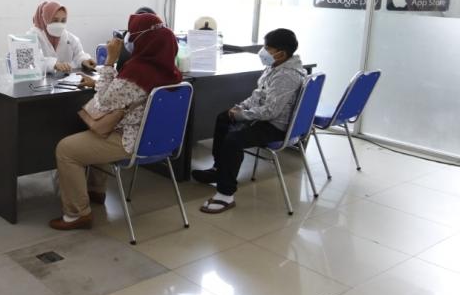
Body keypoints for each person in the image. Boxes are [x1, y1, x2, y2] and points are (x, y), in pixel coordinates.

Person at [49, 13, 182, 230]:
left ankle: (76, 214)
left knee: (66, 149)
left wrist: (109, 61)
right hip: (157, 139)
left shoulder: (138, 72)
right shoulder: (170, 71)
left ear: (143, 41)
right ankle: (95, 191)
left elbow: (103, 103)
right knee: (95, 134)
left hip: (129, 140)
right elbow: (125, 95)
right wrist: (99, 83)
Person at [192, 28, 306, 214]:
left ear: (282, 53)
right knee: (224, 117)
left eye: (268, 48)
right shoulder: (276, 66)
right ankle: (220, 169)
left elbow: (270, 111)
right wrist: (240, 108)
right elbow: (259, 95)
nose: (263, 51)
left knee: (233, 140)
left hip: (276, 126)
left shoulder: (286, 75)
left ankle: (225, 194)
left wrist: (242, 115)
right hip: (268, 118)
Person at [28, 1, 95, 73]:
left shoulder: (70, 38)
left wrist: (84, 60)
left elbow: (79, 54)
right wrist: (53, 64)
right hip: (41, 82)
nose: (59, 24)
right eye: (55, 20)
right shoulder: (31, 38)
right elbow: (32, 62)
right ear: (44, 19)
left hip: (64, 80)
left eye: (63, 20)